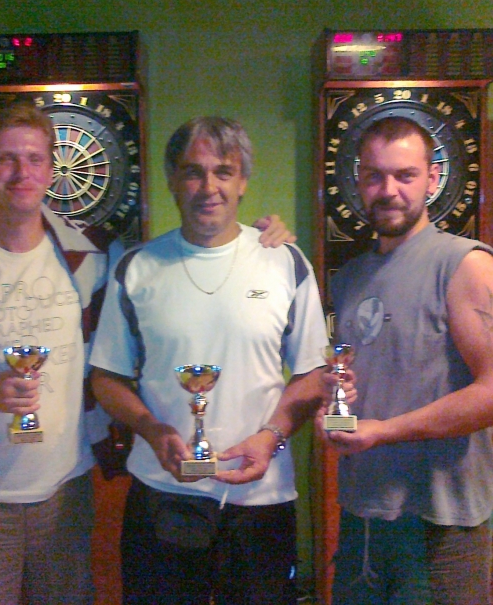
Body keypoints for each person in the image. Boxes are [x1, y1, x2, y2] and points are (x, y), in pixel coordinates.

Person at [0, 102, 295, 605]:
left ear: (51, 169)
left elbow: (189, 260)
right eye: (6, 159)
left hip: (70, 484)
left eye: (35, 159)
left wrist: (262, 238)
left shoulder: (95, 253)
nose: (22, 173)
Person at [88, 116, 331, 605]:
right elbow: (106, 377)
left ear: (243, 182)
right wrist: (151, 430)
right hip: (163, 491)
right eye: (193, 172)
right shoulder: (136, 267)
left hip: (260, 495)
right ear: (172, 180)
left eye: (223, 171)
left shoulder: (285, 262)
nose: (208, 186)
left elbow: (313, 373)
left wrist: (272, 436)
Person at [317, 116, 493, 605]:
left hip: (442, 520)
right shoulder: (349, 278)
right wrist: (336, 407)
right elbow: (368, 379)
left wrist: (383, 431)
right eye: (374, 176)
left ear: (432, 179)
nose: (388, 190)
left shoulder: (467, 265)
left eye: (405, 175)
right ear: (358, 181)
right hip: (363, 512)